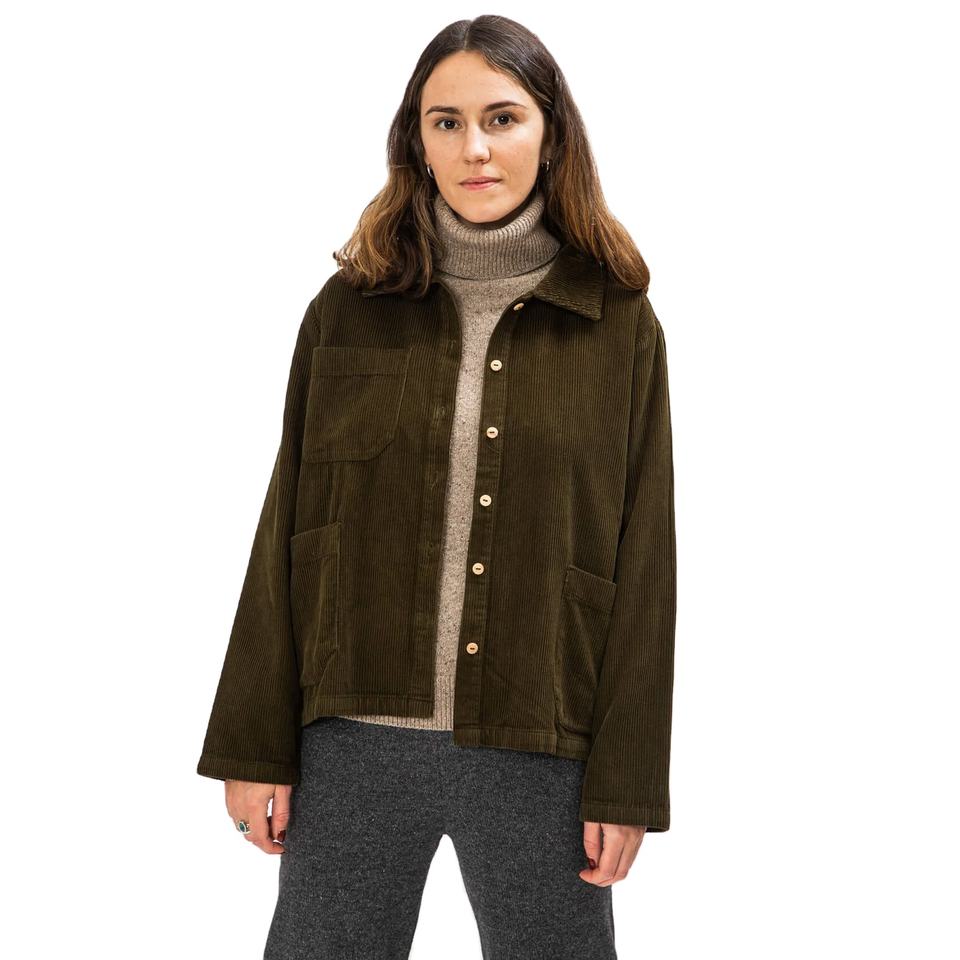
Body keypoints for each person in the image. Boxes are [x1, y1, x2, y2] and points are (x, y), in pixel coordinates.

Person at [197, 14, 677, 960]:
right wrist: (254, 745)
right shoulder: (350, 309)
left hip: (541, 745)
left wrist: (626, 782)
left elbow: (645, 559)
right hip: (353, 740)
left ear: (551, 133)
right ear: (416, 141)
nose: (474, 149)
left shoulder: (618, 323)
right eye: (445, 122)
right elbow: (287, 527)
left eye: (502, 118)